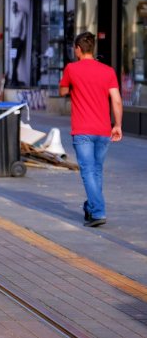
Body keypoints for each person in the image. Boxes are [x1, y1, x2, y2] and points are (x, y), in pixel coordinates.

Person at [59, 31, 123, 228]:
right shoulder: (108, 71)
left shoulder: (72, 68)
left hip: (83, 130)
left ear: (78, 49)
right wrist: (118, 125)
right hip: (103, 130)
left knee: (88, 171)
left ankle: (98, 211)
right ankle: (90, 206)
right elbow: (117, 101)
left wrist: (72, 87)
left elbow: (62, 91)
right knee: (96, 171)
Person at [9, 1, 28, 86]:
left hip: (18, 40)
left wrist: (22, 39)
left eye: (14, 7)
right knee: (13, 60)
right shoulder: (12, 16)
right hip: (12, 40)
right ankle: (14, 80)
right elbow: (10, 28)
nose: (13, 9)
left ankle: (14, 80)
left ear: (16, 7)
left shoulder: (22, 14)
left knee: (16, 60)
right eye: (12, 8)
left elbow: (24, 27)